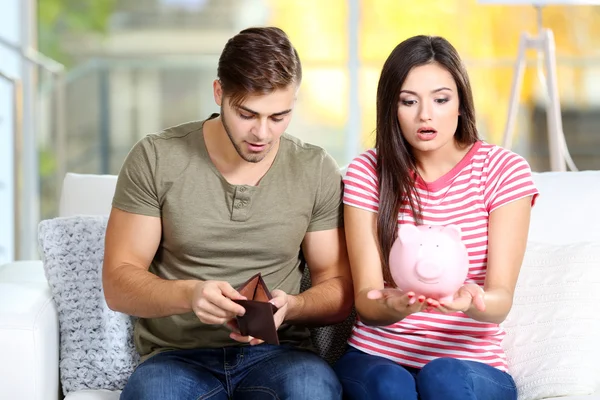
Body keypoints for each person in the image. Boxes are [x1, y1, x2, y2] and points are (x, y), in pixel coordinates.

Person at [102, 26, 353, 400]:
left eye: (279, 116)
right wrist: (189, 295)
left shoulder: (314, 168)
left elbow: (338, 286)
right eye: (247, 114)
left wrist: (294, 306)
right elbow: (118, 283)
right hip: (177, 358)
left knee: (311, 390)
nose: (262, 134)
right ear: (219, 92)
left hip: (280, 354)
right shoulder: (156, 158)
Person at [333, 35, 539, 400]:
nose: (424, 115)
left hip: (470, 365)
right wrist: (394, 305)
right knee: (389, 386)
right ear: (391, 108)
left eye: (441, 100)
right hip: (378, 357)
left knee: (441, 376)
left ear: (461, 103)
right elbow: (366, 301)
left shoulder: (503, 171)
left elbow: (500, 301)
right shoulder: (368, 171)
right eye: (408, 102)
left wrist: (469, 302)